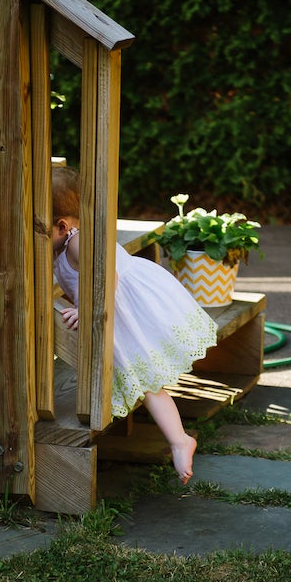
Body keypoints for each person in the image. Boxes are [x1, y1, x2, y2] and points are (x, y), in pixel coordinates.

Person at [42, 166, 217, 484]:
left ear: (63, 225)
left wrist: (86, 310)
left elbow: (108, 277)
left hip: (124, 309)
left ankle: (180, 442)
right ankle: (179, 440)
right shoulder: (63, 245)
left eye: (39, 229)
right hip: (117, 311)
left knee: (149, 383)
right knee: (147, 383)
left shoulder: (78, 245)